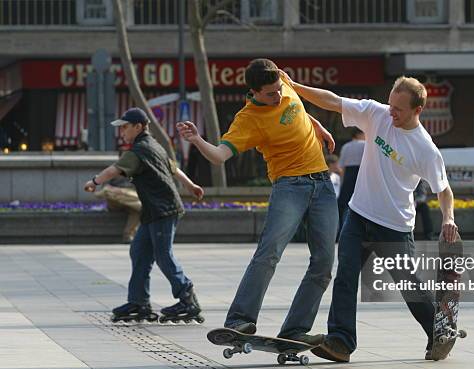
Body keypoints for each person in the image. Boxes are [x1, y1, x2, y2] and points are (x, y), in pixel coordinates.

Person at [282, 71, 459, 362]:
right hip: (359, 214)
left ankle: (439, 331)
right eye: (391, 105)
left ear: (418, 110)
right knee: (346, 276)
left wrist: (448, 218)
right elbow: (333, 101)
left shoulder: (426, 149)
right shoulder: (377, 115)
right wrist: (294, 86)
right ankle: (340, 341)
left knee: (408, 285)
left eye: (399, 110)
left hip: (394, 225)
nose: (392, 113)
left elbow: (444, 189)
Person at [176, 59, 338, 345]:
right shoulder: (248, 119)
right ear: (253, 92)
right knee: (269, 253)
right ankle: (240, 319)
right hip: (290, 186)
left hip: (323, 184)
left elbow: (298, 106)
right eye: (270, 94)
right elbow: (219, 156)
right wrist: (197, 139)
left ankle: (295, 330)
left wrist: (319, 128)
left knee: (324, 262)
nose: (277, 96)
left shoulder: (282, 81)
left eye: (278, 90)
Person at [83, 107, 205, 323]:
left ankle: (188, 298)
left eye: (126, 127)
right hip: (154, 210)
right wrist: (191, 185)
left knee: (163, 255)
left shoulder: (138, 151)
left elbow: (113, 170)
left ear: (138, 127)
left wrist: (94, 182)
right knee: (139, 251)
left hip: (163, 209)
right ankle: (139, 301)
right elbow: (174, 169)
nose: (122, 132)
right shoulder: (154, 145)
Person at [337, 128, 365, 223]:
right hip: (361, 175)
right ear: (358, 134)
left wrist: (341, 182)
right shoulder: (365, 144)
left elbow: (341, 167)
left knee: (345, 203)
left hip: (348, 176)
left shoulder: (345, 146)